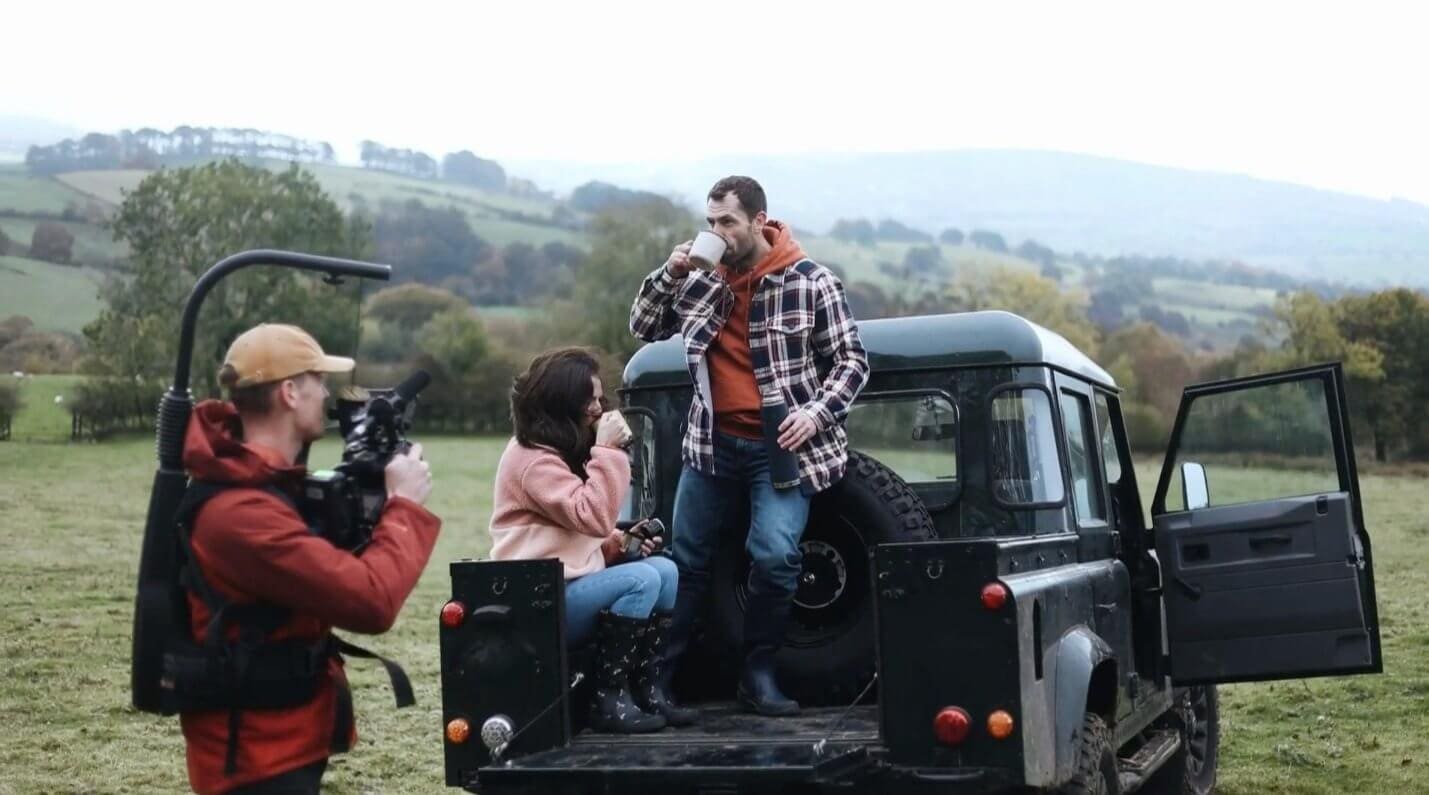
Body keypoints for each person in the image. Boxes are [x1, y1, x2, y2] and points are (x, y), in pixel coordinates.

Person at [629, 176, 869, 716]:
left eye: (727, 223)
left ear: (760, 221)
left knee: (777, 555)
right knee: (684, 560)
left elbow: (853, 361)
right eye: (710, 222)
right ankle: (662, 682)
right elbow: (642, 325)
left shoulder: (812, 282)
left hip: (781, 449)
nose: (716, 232)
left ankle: (757, 677)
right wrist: (669, 273)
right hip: (710, 445)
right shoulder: (700, 280)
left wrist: (815, 415)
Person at [177, 323, 440, 794]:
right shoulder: (241, 513)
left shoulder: (263, 488)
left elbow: (327, 569)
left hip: (284, 738)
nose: (327, 394)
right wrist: (405, 508)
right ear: (290, 392)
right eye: (319, 382)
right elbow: (370, 601)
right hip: (255, 760)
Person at [488, 347, 696, 732]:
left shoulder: (558, 452)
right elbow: (593, 515)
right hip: (540, 604)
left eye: (601, 398)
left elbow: (572, 535)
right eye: (592, 399)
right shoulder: (531, 459)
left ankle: (647, 688)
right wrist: (606, 450)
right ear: (564, 402)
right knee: (643, 578)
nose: (600, 408)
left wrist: (618, 545)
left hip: (566, 587)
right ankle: (609, 698)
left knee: (664, 570)